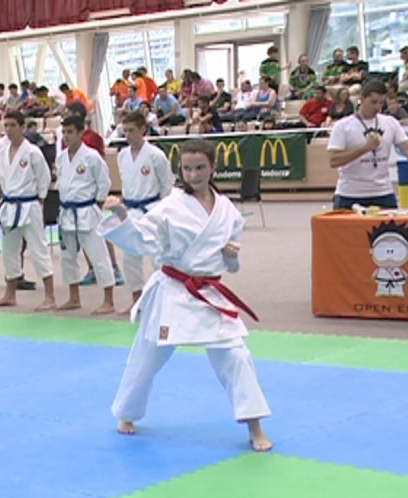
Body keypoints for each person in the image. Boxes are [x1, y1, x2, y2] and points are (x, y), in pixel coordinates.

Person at [97, 139, 272, 452]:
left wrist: (231, 257)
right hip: (173, 291)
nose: (193, 174)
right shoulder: (169, 207)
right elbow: (141, 240)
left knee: (236, 355)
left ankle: (254, 426)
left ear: (213, 168)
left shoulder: (227, 211)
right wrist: (123, 215)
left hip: (210, 292)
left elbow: (231, 266)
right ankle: (126, 413)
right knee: (147, 356)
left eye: (200, 168)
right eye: (188, 168)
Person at [0, 111, 56, 310]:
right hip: (9, 205)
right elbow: (2, 180)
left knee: (38, 249)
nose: (8, 130)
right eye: (6, 125)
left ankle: (50, 296)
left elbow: (44, 177)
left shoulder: (33, 151)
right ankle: (10, 294)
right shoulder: (2, 151)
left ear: (22, 127)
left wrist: (40, 199)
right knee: (9, 251)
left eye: (12, 125)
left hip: (29, 205)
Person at [327, 80, 408, 209]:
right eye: (373, 102)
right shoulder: (342, 126)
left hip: (383, 192)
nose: (378, 107)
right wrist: (365, 148)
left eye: (381, 102)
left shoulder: (390, 123)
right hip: (350, 194)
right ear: (361, 99)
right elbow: (334, 161)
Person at [115, 111, 174, 314]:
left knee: (158, 257)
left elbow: (167, 184)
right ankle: (137, 300)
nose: (128, 135)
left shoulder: (156, 155)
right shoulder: (122, 155)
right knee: (130, 257)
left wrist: (164, 211)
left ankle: (165, 302)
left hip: (153, 209)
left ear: (143, 130)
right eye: (125, 131)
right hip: (131, 211)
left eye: (132, 130)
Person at [55, 115, 114, 314]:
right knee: (68, 257)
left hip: (87, 210)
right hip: (67, 212)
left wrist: (97, 205)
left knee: (98, 255)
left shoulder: (92, 156)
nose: (66, 136)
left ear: (81, 133)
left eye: (70, 132)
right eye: (64, 132)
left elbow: (104, 183)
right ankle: (73, 297)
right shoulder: (61, 157)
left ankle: (109, 300)